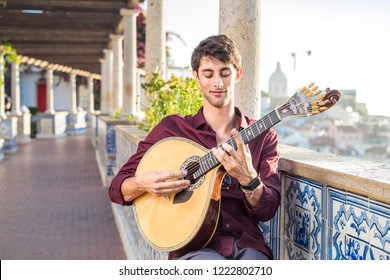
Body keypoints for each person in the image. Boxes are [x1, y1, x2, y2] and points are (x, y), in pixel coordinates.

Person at [109, 34, 281, 260]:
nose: (218, 83)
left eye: (225, 73)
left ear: (237, 74)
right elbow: (117, 188)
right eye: (208, 74)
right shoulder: (173, 129)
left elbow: (267, 210)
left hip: (245, 243)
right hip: (191, 247)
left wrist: (250, 179)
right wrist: (144, 183)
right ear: (196, 77)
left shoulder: (263, 136)